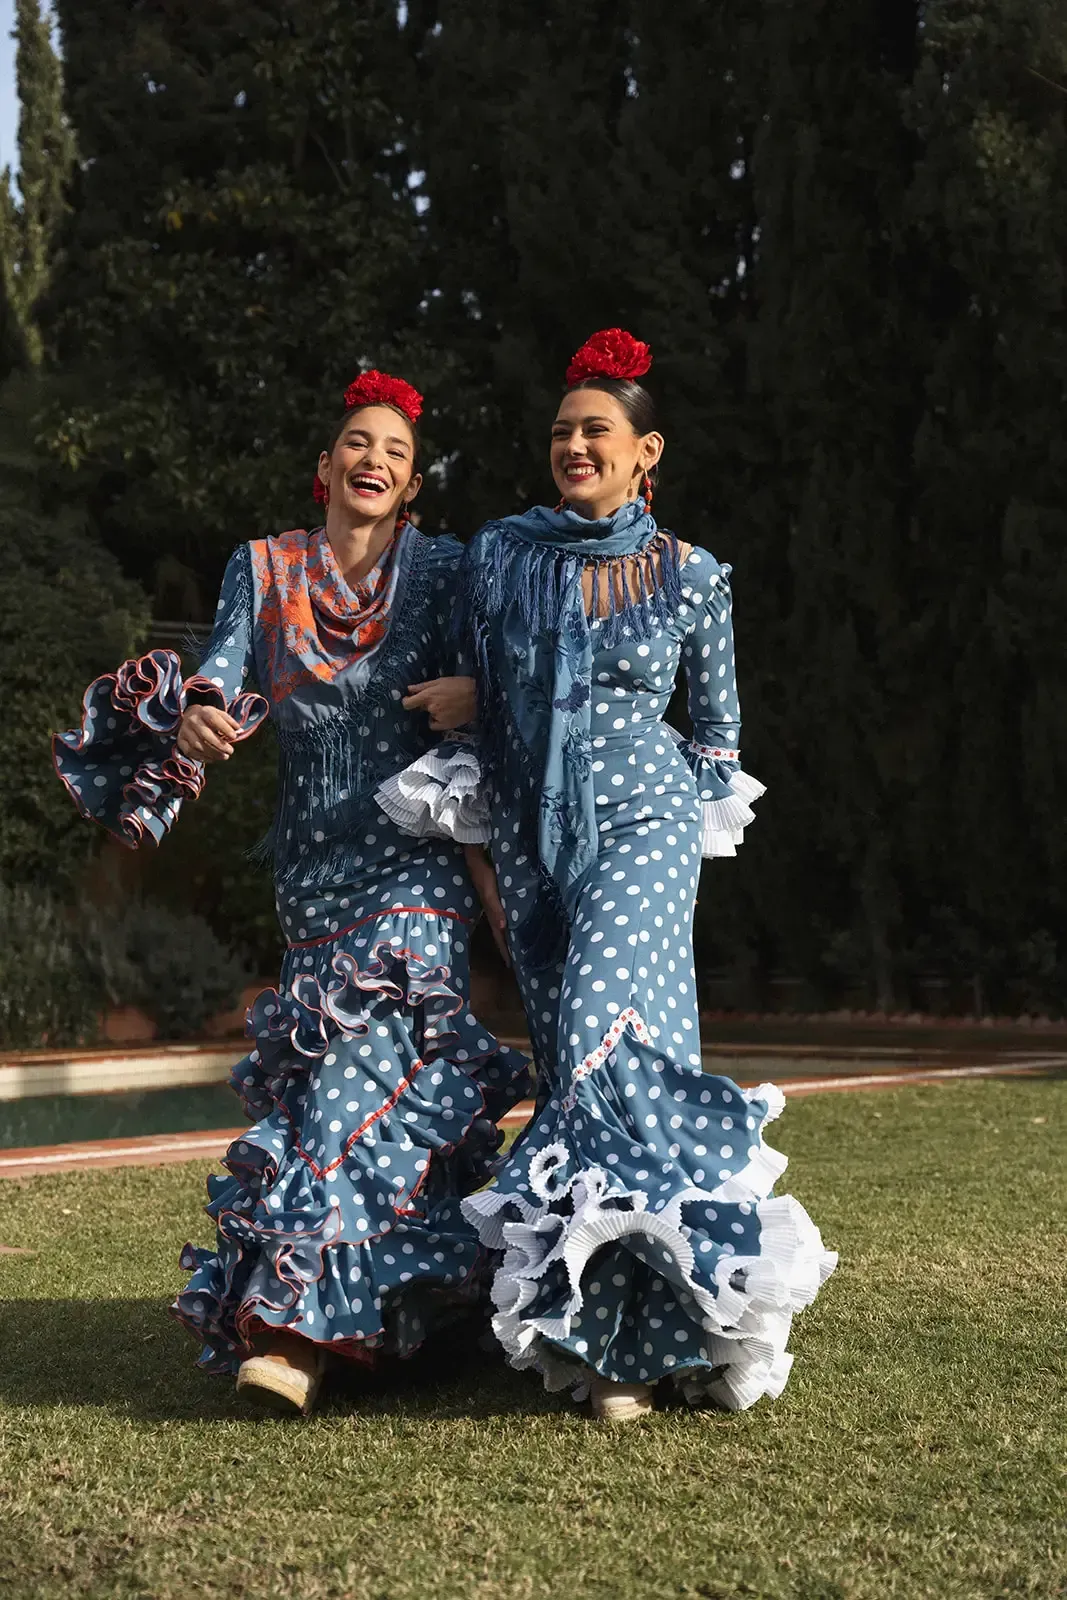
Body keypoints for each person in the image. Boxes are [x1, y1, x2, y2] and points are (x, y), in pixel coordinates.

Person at [54, 368, 532, 1415]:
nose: (376, 462)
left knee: (365, 1086)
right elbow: (219, 673)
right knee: (346, 1096)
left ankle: (297, 1333)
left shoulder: (444, 573)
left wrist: (477, 692)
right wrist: (198, 718)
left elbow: (521, 662)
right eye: (359, 444)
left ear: (409, 490)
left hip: (416, 874)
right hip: (313, 886)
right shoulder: (263, 569)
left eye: (397, 455)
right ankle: (415, 1319)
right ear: (324, 469)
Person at [451, 329, 837, 1421]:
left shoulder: (690, 577)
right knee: (581, 1061)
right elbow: (487, 688)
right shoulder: (499, 556)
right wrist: (464, 710)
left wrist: (672, 831)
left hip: (643, 822)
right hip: (531, 839)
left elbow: (715, 731)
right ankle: (631, 1331)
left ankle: (630, 1347)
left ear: (642, 450)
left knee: (602, 1022)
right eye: (562, 430)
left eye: (596, 430)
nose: (574, 444)